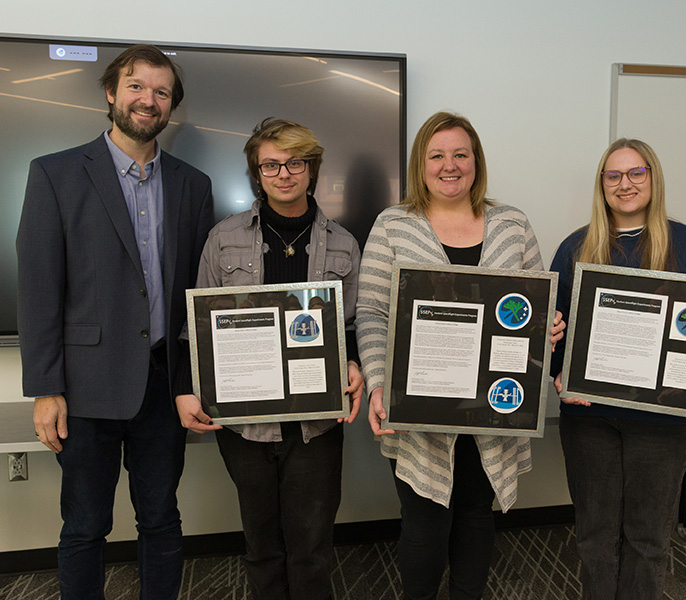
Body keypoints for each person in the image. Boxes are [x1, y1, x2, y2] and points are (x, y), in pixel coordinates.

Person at [17, 45, 214, 599]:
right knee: (84, 527)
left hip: (164, 386)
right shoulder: (54, 173)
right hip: (85, 387)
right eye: (136, 86)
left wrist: (194, 380)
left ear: (171, 105)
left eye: (161, 91)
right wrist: (46, 389)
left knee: (161, 519)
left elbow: (198, 296)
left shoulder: (193, 185)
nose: (148, 100)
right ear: (111, 93)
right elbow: (38, 290)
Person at [356, 111, 564, 600]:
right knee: (424, 524)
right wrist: (379, 382)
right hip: (420, 408)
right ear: (421, 164)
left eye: (460, 155)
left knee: (474, 516)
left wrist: (547, 327)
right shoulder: (393, 225)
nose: (449, 166)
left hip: (495, 403)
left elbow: (536, 304)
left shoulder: (512, 225)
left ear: (476, 162)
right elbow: (372, 312)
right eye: (437, 155)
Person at [549, 138, 686, 600]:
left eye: (636, 172)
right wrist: (559, 374)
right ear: (602, 184)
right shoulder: (576, 246)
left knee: (648, 539)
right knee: (595, 537)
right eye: (613, 175)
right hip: (589, 417)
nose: (625, 183)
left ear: (653, 177)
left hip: (662, 420)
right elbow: (554, 327)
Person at [175, 117, 363, 600]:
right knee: (262, 547)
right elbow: (196, 328)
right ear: (256, 174)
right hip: (245, 424)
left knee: (312, 549)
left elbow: (354, 326)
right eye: (271, 165)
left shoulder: (344, 244)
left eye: (295, 163)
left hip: (315, 423)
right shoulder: (223, 239)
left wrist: (355, 364)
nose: (283, 174)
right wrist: (185, 389)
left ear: (312, 168)